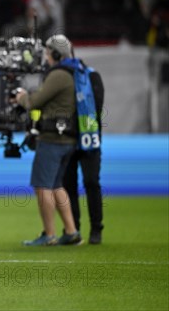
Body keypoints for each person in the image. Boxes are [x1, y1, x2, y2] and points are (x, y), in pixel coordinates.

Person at [15, 34, 82, 246]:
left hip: (53, 139)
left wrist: (22, 97)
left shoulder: (59, 75)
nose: (45, 57)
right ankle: (71, 231)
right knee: (56, 185)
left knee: (42, 186)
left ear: (54, 53)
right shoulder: (73, 71)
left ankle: (49, 234)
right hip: (67, 138)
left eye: (47, 52)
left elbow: (35, 102)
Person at [62, 59, 105, 245]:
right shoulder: (63, 78)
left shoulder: (93, 76)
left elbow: (97, 106)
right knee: (69, 184)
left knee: (91, 182)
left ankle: (96, 228)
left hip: (88, 138)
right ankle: (74, 228)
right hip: (70, 138)